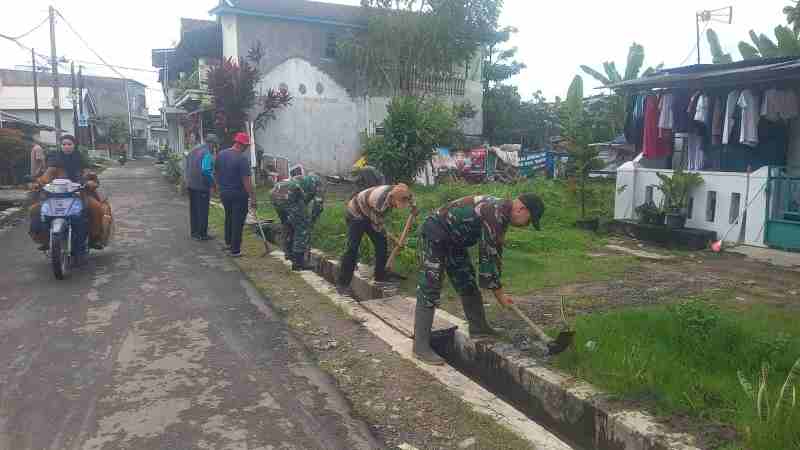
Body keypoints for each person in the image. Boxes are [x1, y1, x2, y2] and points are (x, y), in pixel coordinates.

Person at [412, 193, 545, 365]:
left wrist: (499, 290)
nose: (527, 225)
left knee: (467, 283)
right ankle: (420, 346)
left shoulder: (501, 214)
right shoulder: (495, 213)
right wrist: (500, 295)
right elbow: (488, 258)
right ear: (522, 209)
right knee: (430, 286)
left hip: (454, 241)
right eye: (529, 220)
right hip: (435, 233)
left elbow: (495, 253)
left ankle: (479, 328)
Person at [29, 134, 112, 255]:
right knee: (35, 210)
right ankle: (44, 239)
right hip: (56, 197)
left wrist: (90, 182)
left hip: (80, 195)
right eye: (64, 144)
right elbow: (46, 177)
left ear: (74, 145)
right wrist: (37, 184)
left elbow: (91, 176)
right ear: (60, 146)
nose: (66, 147)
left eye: (69, 144)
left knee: (96, 208)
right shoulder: (54, 162)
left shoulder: (81, 160)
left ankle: (95, 238)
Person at [336, 183, 414, 295]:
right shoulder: (379, 202)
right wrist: (394, 239)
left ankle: (380, 277)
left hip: (369, 212)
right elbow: (378, 226)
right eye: (397, 204)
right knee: (352, 248)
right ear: (391, 198)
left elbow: (411, 200)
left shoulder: (402, 192)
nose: (398, 207)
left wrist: (414, 207)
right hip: (356, 213)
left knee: (381, 244)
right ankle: (342, 284)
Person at [270, 173, 324, 271]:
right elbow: (318, 204)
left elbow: (303, 201)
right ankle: (299, 262)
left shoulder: (303, 179)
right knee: (302, 227)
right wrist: (311, 221)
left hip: (275, 193)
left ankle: (289, 253)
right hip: (289, 194)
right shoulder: (318, 183)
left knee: (288, 224)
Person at [215, 132, 255, 257]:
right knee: (238, 221)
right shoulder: (242, 159)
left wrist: (218, 187)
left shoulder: (221, 154)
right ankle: (235, 250)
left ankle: (228, 243)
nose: (247, 148)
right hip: (239, 195)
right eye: (246, 146)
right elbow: (246, 181)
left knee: (229, 216)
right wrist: (253, 198)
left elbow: (216, 172)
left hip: (225, 193)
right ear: (241, 145)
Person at [185, 133, 220, 241]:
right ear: (211, 144)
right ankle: (202, 234)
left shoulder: (193, 150)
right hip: (201, 186)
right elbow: (205, 171)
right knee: (203, 210)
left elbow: (186, 166)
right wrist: (213, 184)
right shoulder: (206, 153)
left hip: (191, 184)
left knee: (194, 209)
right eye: (214, 145)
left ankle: (194, 232)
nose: (215, 147)